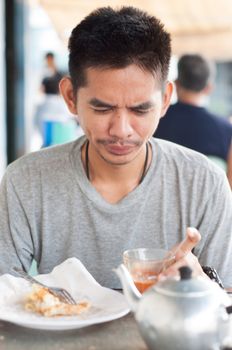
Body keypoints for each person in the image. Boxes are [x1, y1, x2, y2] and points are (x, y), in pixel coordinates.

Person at [0, 7, 231, 289]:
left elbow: (226, 307)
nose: (121, 130)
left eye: (140, 109)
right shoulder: (25, 181)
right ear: (70, 97)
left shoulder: (205, 183)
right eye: (102, 108)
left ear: (165, 99)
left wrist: (204, 289)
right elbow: (5, 297)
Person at [154, 54, 232, 187]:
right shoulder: (226, 129)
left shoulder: (155, 119)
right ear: (208, 89)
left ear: (176, 84)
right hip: (207, 204)